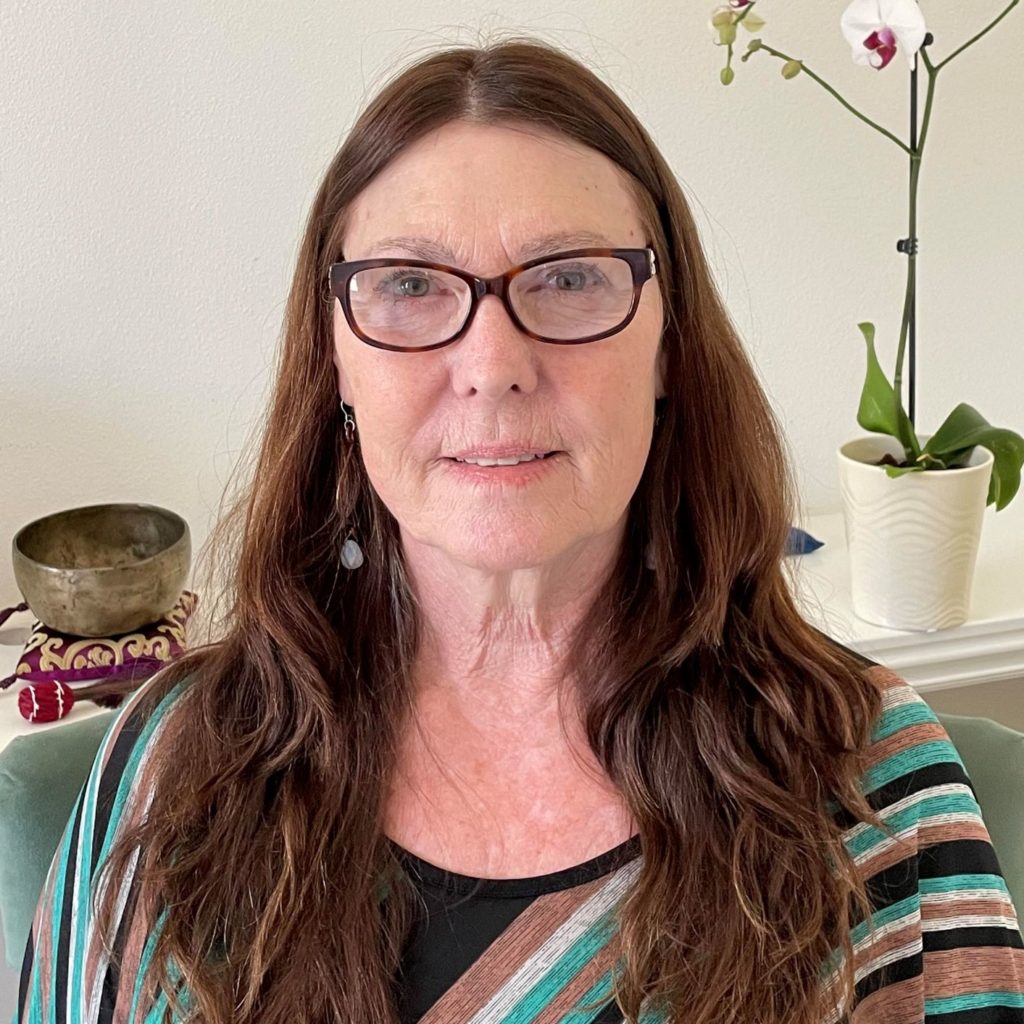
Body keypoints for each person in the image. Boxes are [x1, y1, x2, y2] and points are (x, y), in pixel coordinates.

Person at [15, 35, 1024, 1024]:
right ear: (337, 361)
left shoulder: (870, 783)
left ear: (668, 345)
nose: (492, 364)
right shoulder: (175, 766)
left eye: (570, 277)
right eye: (411, 285)